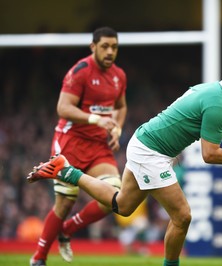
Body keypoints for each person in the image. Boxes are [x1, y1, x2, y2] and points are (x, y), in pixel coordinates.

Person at [27, 60, 222, 266]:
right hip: (152, 153)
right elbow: (210, 154)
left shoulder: (209, 91)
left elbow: (201, 127)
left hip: (145, 143)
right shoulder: (218, 103)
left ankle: (67, 170)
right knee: (182, 216)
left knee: (123, 205)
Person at [29, 27, 127, 266]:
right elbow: (63, 108)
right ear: (93, 47)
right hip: (70, 142)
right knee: (64, 204)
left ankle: (68, 229)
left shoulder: (119, 76)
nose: (110, 51)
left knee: (115, 198)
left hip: (97, 145)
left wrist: (117, 129)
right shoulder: (80, 72)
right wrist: (96, 119)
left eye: (114, 47)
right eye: (104, 46)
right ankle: (38, 258)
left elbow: (121, 106)